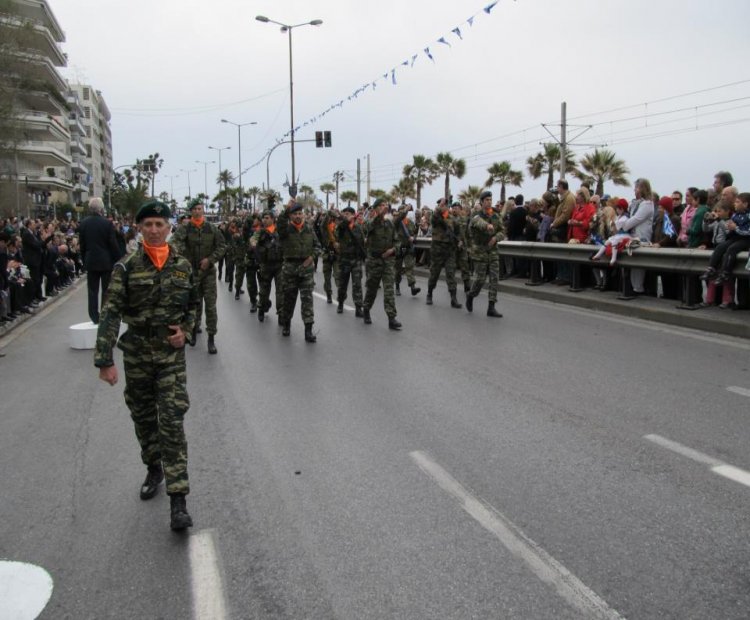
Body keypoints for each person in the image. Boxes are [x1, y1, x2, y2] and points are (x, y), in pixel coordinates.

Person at [94, 200, 198, 531]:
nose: (154, 229)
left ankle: (178, 499)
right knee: (143, 418)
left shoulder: (183, 266)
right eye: (148, 224)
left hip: (170, 356)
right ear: (139, 229)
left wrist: (188, 331)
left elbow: (193, 305)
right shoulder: (125, 268)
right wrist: (104, 359)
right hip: (137, 353)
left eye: (160, 224)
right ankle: (154, 467)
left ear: (169, 228)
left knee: (171, 419)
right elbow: (110, 312)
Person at [171, 201, 226, 354]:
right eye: (194, 209)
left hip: (207, 272)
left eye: (199, 209)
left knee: (210, 305)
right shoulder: (185, 228)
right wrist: (183, 259)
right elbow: (173, 244)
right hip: (192, 273)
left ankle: (211, 338)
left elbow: (222, 246)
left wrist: (210, 260)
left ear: (203, 210)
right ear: (191, 211)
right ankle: (193, 331)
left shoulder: (212, 228)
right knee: (194, 304)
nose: (197, 211)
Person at [277, 200, 320, 342]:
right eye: (295, 214)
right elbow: (280, 224)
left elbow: (317, 246)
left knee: (307, 300)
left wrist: (311, 258)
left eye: (300, 213)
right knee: (289, 299)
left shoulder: (309, 229)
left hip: (306, 268)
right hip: (290, 268)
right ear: (290, 216)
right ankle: (287, 324)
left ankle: (308, 330)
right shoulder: (285, 230)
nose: (298, 216)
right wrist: (286, 210)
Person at [77, 197, 121, 324]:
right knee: (106, 290)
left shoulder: (84, 223)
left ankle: (93, 315)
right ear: (101, 209)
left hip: (91, 260)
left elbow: (82, 244)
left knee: (92, 290)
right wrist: (118, 259)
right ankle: (104, 313)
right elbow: (113, 243)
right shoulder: (107, 223)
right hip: (105, 261)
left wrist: (84, 258)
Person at [362, 197, 402, 330]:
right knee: (372, 288)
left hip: (388, 261)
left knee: (389, 289)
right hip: (374, 261)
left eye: (386, 205)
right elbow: (368, 227)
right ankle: (366, 309)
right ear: (375, 208)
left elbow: (397, 241)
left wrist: (392, 249)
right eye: (381, 206)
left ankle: (392, 318)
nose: (385, 207)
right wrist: (378, 215)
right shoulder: (369, 222)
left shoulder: (389, 224)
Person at [465, 190, 503, 317]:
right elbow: (478, 223)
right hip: (480, 251)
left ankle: (491, 307)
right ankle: (471, 295)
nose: (489, 202)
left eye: (490, 200)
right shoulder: (476, 215)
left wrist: (496, 238)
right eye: (486, 200)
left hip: (493, 251)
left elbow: (502, 231)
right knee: (480, 280)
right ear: (481, 202)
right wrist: (487, 226)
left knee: (494, 279)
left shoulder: (496, 216)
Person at [700, 191, 750, 285]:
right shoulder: (735, 215)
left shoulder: (748, 215)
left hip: (745, 239)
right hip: (734, 237)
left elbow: (747, 231)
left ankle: (725, 272)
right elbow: (727, 230)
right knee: (721, 247)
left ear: (745, 204)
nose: (735, 203)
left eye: (738, 202)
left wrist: (736, 228)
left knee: (732, 249)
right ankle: (711, 268)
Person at [620, 178, 655, 294]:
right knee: (633, 263)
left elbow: (636, 219)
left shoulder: (647, 204)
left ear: (642, 189)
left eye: (636, 188)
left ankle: (638, 288)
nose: (634, 190)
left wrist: (622, 226)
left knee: (638, 265)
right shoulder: (635, 203)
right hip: (633, 236)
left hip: (642, 238)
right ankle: (634, 287)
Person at [426, 198, 462, 308]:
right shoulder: (435, 217)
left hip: (449, 250)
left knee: (451, 274)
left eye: (444, 205)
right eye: (441, 205)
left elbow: (458, 232)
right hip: (437, 250)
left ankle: (453, 298)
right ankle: (429, 293)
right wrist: (438, 207)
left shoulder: (452, 219)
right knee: (434, 274)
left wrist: (460, 240)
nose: (443, 207)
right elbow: (434, 217)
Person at [250, 210, 283, 323]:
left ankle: (281, 314)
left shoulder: (279, 231)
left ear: (273, 219)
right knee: (264, 290)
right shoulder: (261, 231)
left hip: (279, 265)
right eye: (263, 218)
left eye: (267, 217)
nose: (265, 220)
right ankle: (261, 309)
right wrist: (253, 243)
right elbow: (253, 238)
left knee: (280, 291)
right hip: (266, 265)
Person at [335, 206, 366, 316]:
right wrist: (345, 221)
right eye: (345, 213)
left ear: (353, 215)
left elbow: (362, 243)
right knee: (342, 284)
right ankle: (340, 303)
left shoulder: (358, 228)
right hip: (344, 260)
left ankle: (358, 308)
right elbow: (337, 234)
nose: (346, 215)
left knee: (357, 285)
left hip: (356, 260)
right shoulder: (341, 227)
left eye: (348, 214)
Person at [393, 204, 421, 297]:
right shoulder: (396, 221)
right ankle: (397, 287)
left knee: (409, 268)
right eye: (401, 211)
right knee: (398, 270)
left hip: (408, 247)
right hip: (399, 248)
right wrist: (405, 209)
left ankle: (413, 288)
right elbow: (401, 216)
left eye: (404, 210)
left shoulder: (410, 222)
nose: (403, 212)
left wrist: (414, 237)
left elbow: (414, 233)